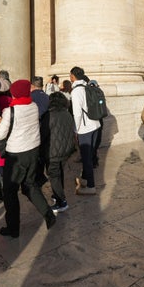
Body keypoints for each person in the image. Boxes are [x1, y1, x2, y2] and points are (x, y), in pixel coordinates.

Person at [0, 79, 56, 238]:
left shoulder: (10, 111)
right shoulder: (33, 106)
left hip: (16, 154)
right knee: (30, 185)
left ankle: (13, 228)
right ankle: (48, 214)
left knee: (10, 191)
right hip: (32, 151)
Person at [70, 66, 100, 195]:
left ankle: (91, 186)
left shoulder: (76, 92)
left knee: (86, 158)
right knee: (90, 155)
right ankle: (86, 179)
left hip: (85, 128)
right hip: (96, 124)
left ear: (72, 76)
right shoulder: (88, 87)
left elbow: (77, 114)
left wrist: (75, 130)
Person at [46, 92, 77, 213]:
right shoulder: (67, 113)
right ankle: (57, 194)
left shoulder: (50, 115)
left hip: (53, 151)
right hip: (65, 150)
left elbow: (44, 133)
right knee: (59, 173)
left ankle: (61, 201)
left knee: (54, 175)